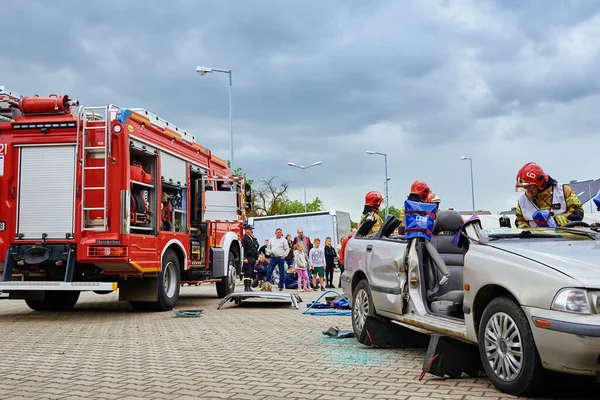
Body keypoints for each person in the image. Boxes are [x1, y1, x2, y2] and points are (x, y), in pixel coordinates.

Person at [515, 162, 584, 228]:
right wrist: (527, 232)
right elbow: (520, 220)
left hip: (564, 238)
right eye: (525, 188)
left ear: (539, 182)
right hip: (536, 239)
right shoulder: (523, 201)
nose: (528, 191)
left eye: (529, 187)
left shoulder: (564, 191)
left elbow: (577, 213)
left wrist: (556, 221)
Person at [241, 223, 259, 291]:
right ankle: (246, 287)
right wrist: (244, 258)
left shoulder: (252, 238)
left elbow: (255, 247)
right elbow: (243, 249)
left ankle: (249, 287)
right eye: (250, 229)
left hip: (253, 258)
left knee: (251, 273)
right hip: (248, 258)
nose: (251, 230)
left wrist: (256, 258)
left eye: (251, 229)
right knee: (247, 273)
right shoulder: (244, 238)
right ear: (246, 230)